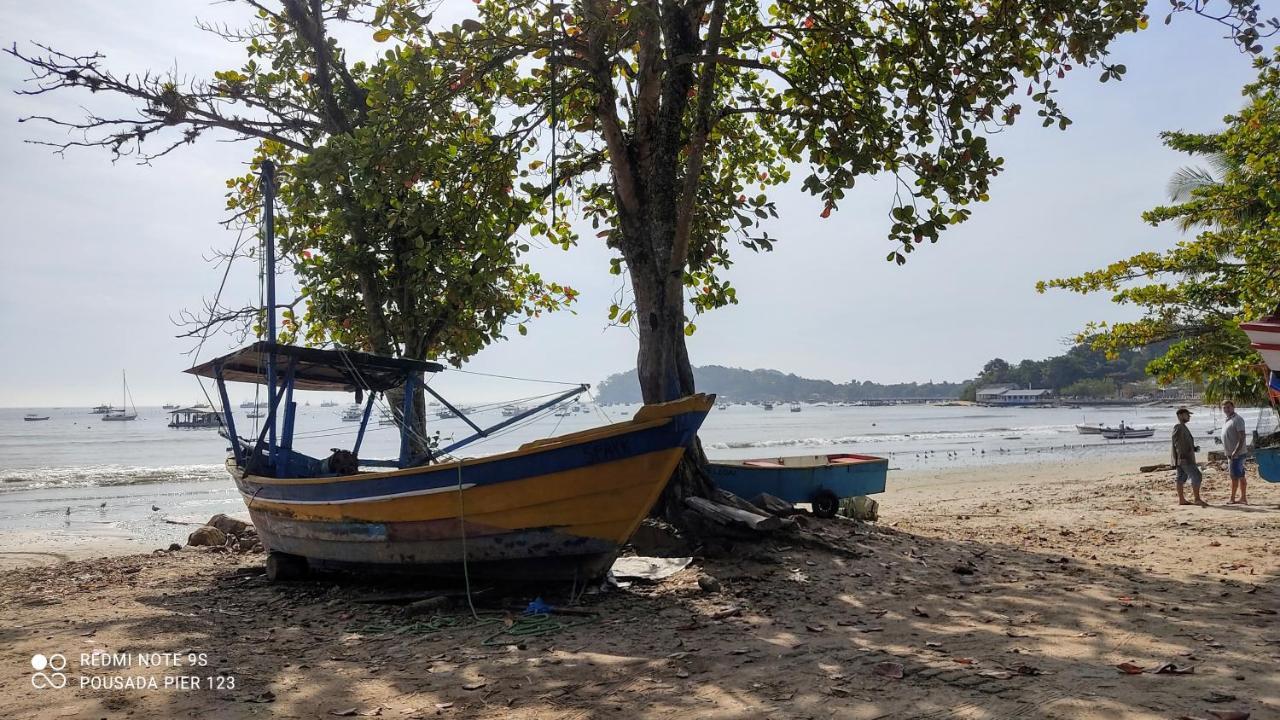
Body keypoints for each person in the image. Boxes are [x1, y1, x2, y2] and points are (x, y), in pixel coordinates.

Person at [1172, 407, 1205, 506]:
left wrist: (1193, 448)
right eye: (1187, 415)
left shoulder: (1182, 427)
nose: (1189, 416)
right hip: (1185, 458)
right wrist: (1183, 455)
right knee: (1197, 476)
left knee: (1181, 478)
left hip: (1182, 458)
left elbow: (1182, 443)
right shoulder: (1178, 427)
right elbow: (1177, 443)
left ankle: (1182, 500)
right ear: (1180, 415)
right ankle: (1197, 499)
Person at [1222, 400, 1248, 504]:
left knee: (1235, 477)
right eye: (1224, 408)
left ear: (1233, 407)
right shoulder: (1228, 419)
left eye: (1228, 407)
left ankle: (1233, 498)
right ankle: (1242, 498)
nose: (1226, 410)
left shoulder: (1238, 419)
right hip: (1231, 454)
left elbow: (1242, 437)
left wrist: (1235, 452)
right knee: (1239, 475)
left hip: (1237, 454)